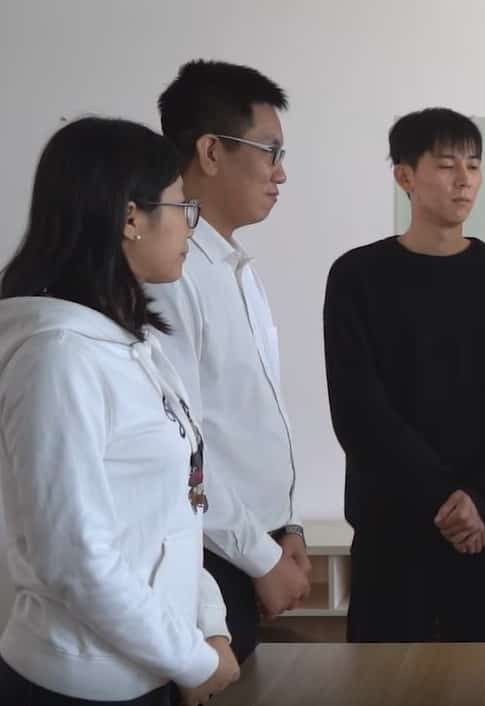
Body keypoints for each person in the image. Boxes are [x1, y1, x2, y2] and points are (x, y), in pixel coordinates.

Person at [0, 117, 239, 705]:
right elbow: (74, 558)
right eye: (182, 207)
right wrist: (191, 658)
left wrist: (206, 625)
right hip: (82, 681)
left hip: (153, 662)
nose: (189, 227)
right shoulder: (60, 358)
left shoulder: (132, 346)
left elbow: (174, 512)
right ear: (131, 218)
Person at [325, 108, 485, 642]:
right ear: (405, 176)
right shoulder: (358, 276)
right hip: (394, 527)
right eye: (447, 165)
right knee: (385, 678)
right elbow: (358, 411)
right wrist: (447, 502)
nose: (464, 179)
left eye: (474, 165)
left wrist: (482, 499)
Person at [147, 60, 309, 663]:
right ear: (211, 151)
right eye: (270, 152)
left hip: (250, 545)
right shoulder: (170, 276)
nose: (281, 172)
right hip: (211, 555)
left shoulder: (235, 267)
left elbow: (251, 419)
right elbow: (178, 448)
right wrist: (260, 556)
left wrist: (287, 525)